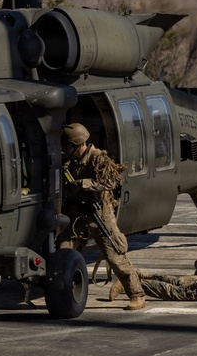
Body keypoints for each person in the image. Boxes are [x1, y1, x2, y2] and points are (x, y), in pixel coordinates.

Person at [60, 122, 145, 310]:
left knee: (115, 254)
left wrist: (83, 184)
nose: (66, 149)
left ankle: (137, 294)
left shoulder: (98, 159)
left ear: (77, 144)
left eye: (68, 145)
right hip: (77, 216)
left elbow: (110, 181)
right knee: (64, 253)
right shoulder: (70, 162)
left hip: (99, 214)